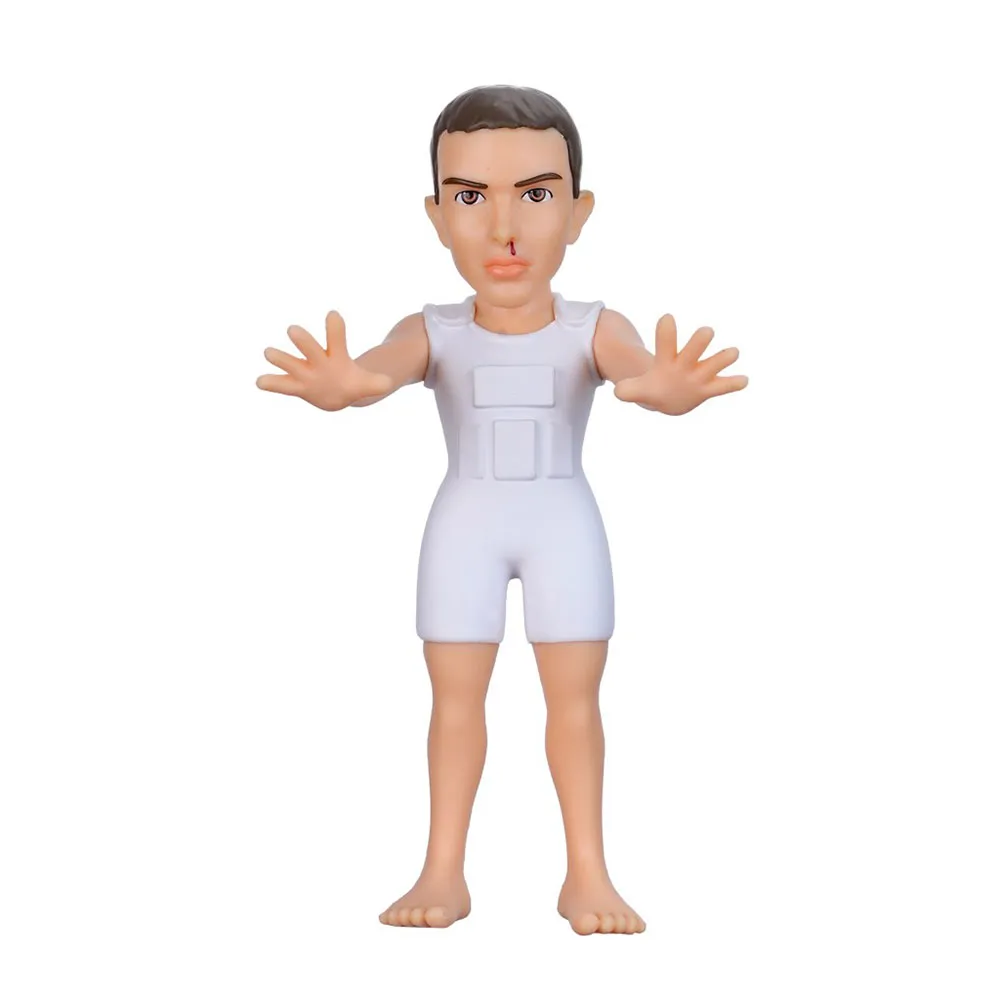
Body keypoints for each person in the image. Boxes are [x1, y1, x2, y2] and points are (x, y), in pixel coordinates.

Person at [256, 84, 748, 935]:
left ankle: (587, 872)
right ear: (436, 216)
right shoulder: (435, 329)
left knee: (576, 704)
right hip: (463, 533)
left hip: (566, 532)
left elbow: (637, 369)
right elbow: (378, 369)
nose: (504, 228)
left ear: (580, 212)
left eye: (537, 195)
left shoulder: (592, 326)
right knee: (453, 703)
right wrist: (348, 384)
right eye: (470, 197)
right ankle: (442, 869)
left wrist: (666, 387)